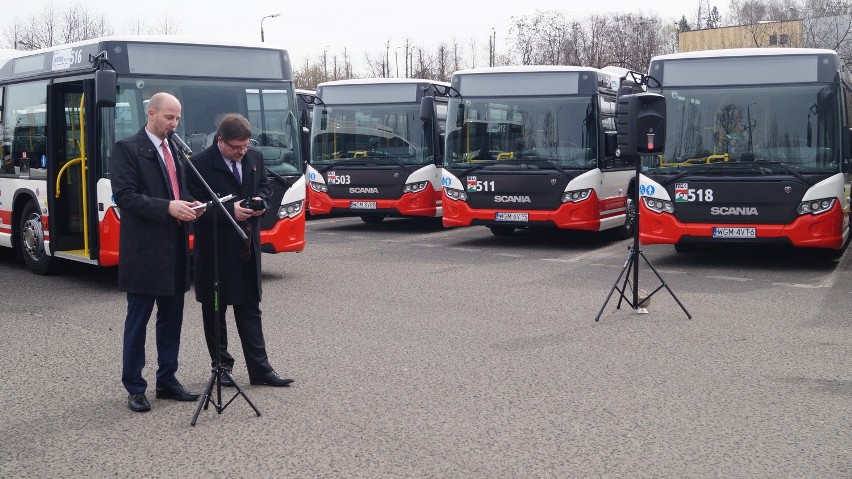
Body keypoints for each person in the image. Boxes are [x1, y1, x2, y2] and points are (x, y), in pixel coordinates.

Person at [110, 92, 205, 412]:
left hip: (175, 250)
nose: (174, 123)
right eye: (168, 117)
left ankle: (167, 380)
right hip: (144, 252)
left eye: (177, 118)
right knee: (138, 321)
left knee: (172, 319)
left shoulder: (176, 150)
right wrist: (169, 208)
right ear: (151, 114)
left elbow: (179, 191)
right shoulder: (127, 149)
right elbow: (125, 196)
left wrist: (190, 205)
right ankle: (135, 386)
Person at [187, 113, 294, 388]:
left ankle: (260, 370)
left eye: (245, 146)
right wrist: (229, 212)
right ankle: (221, 367)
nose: (241, 152)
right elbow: (192, 208)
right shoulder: (197, 165)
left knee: (250, 308)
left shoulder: (254, 157)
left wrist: (261, 199)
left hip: (247, 246)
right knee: (215, 311)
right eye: (236, 147)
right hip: (215, 250)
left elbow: (264, 186)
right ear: (220, 141)